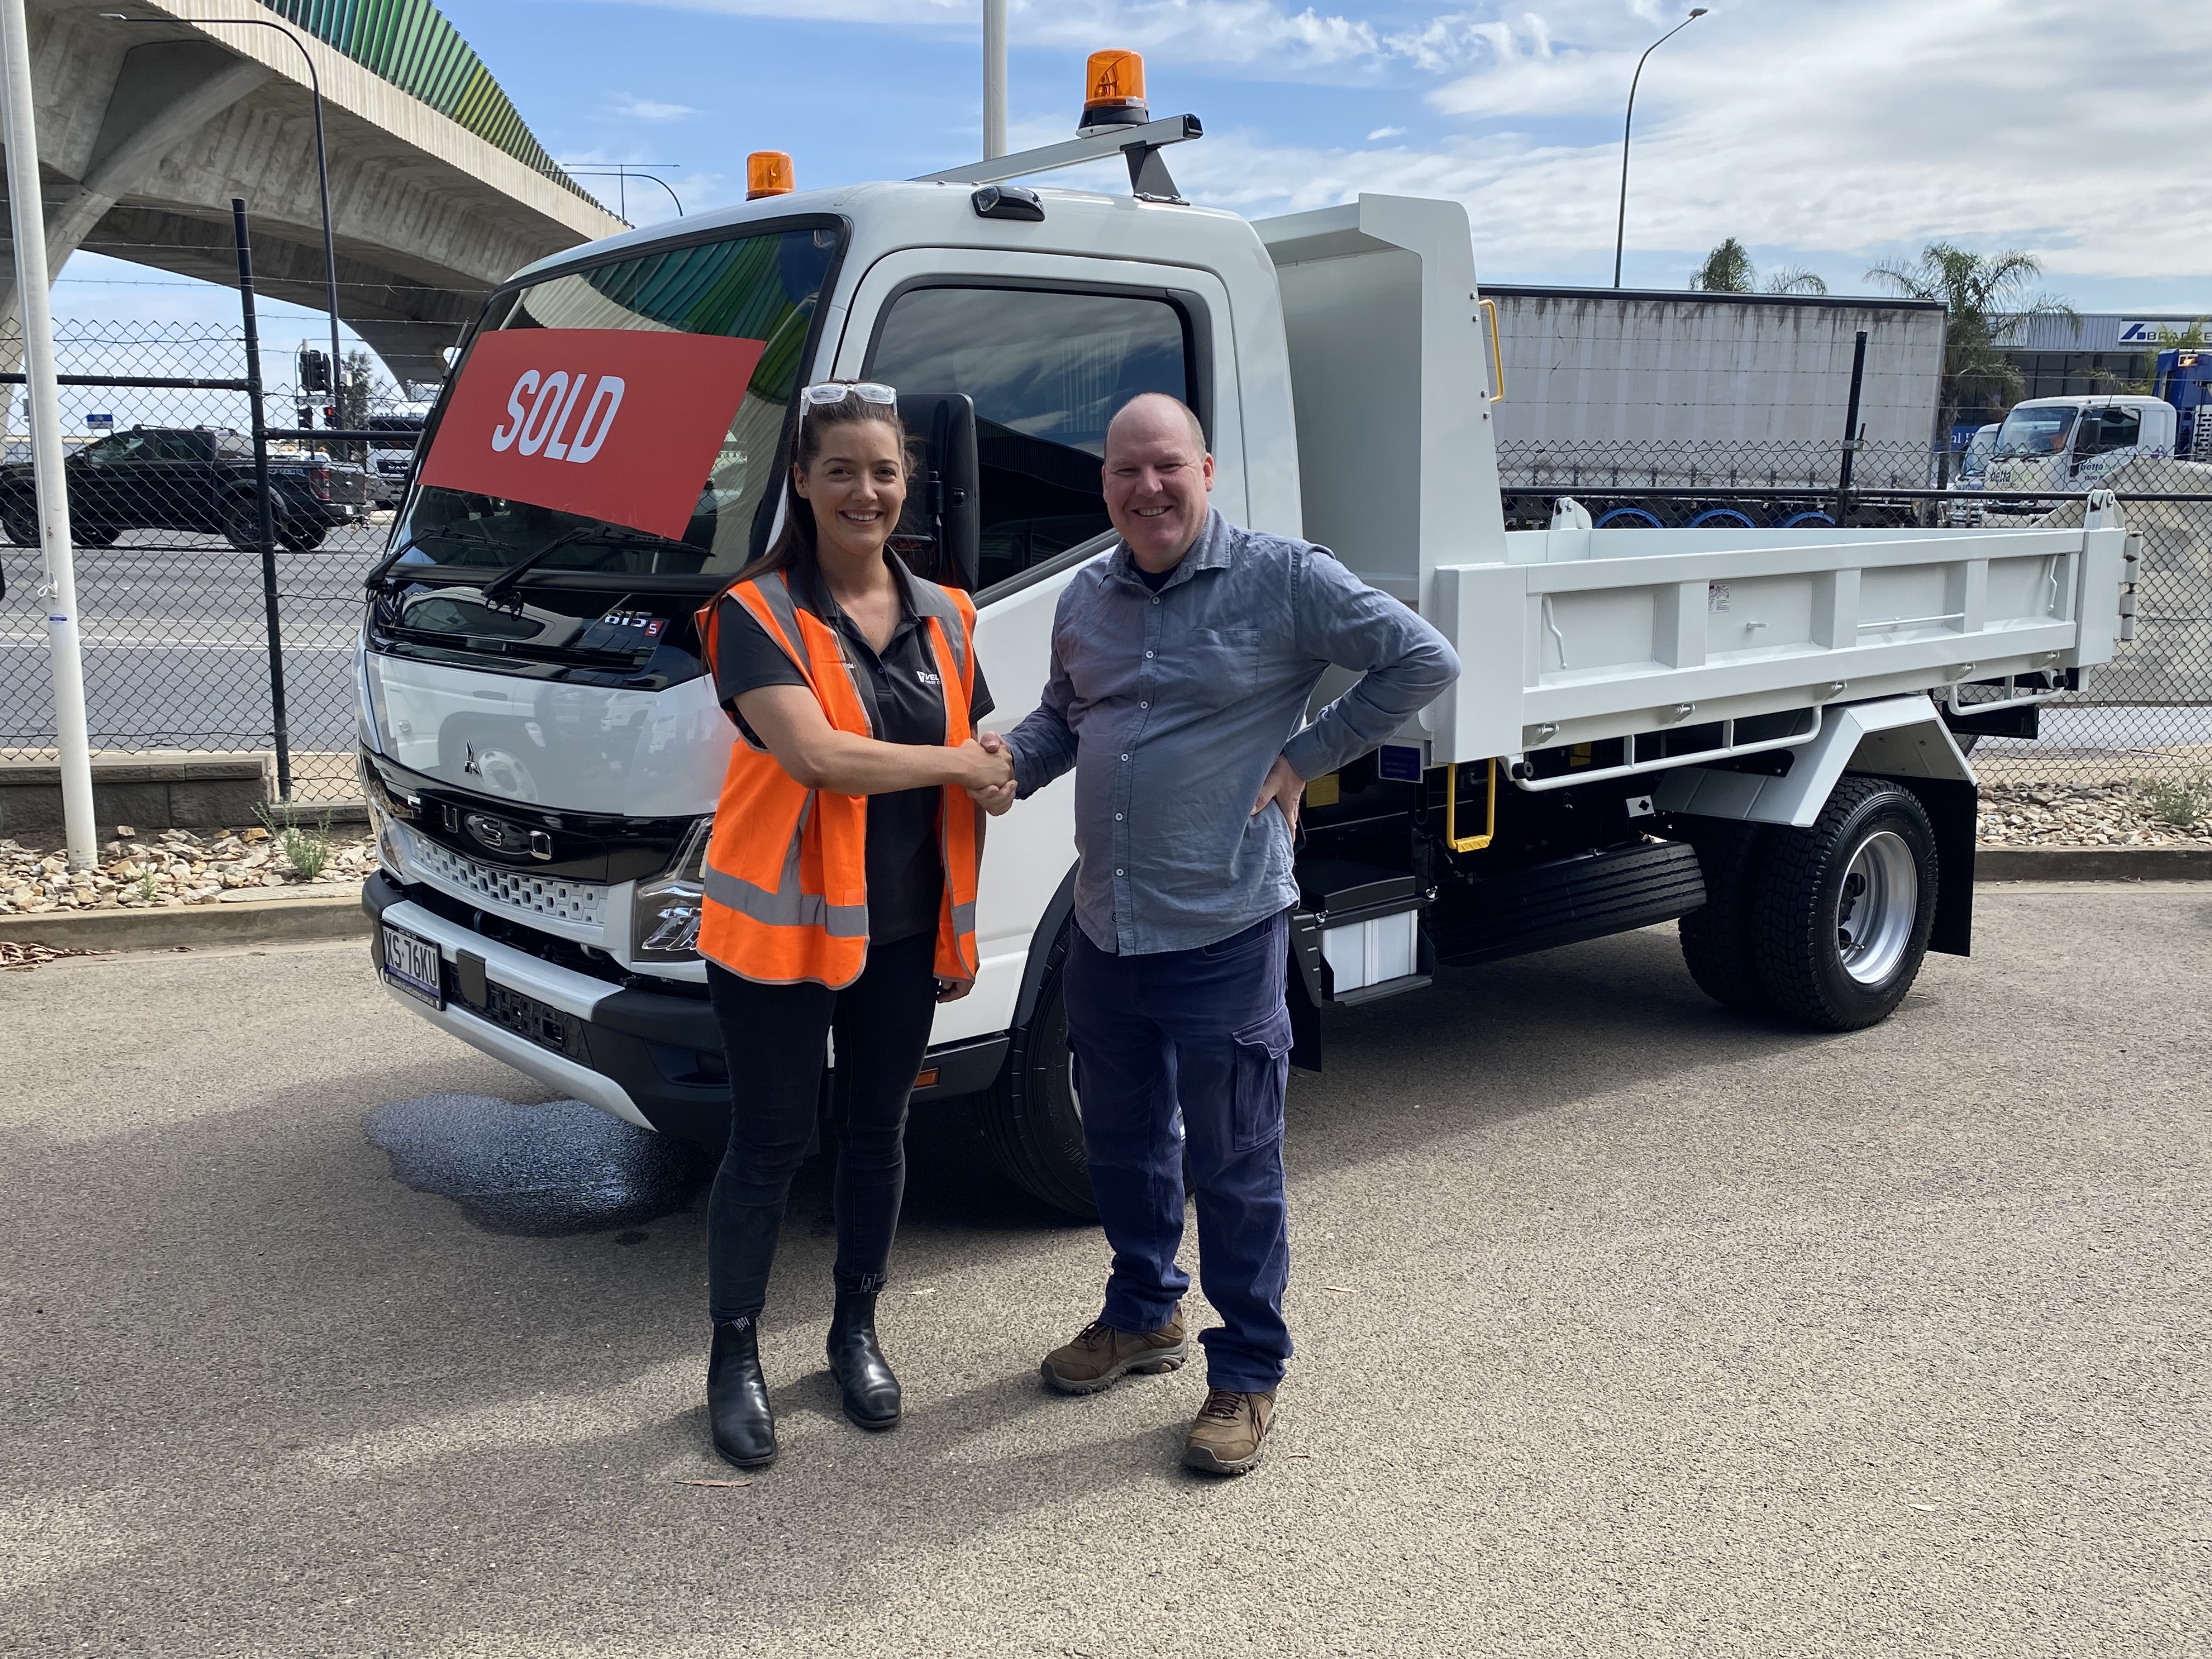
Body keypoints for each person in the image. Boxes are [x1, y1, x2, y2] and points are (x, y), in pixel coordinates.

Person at [975, 392, 1460, 1476]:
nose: (1145, 489)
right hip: (1106, 924)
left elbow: (1421, 658)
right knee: (1123, 1137)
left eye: (1166, 467)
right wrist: (1012, 760)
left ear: (1205, 468)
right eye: (1123, 472)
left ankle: (1247, 1373)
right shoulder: (1084, 598)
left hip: (1224, 929)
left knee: (1235, 1161)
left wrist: (1304, 757)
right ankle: (1146, 1312)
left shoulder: (1281, 579)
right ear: (1103, 486)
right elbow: (1067, 714)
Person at [695, 381, 1012, 1470]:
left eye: (883, 472)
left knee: (878, 1134)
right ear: (802, 480)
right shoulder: (754, 614)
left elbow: (980, 750)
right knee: (773, 1141)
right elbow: (818, 757)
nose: (864, 491)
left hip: (902, 930)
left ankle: (853, 1333)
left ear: (907, 483)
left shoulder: (952, 615)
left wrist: (998, 773)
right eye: (841, 471)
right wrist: (959, 763)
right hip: (779, 937)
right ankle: (733, 1356)